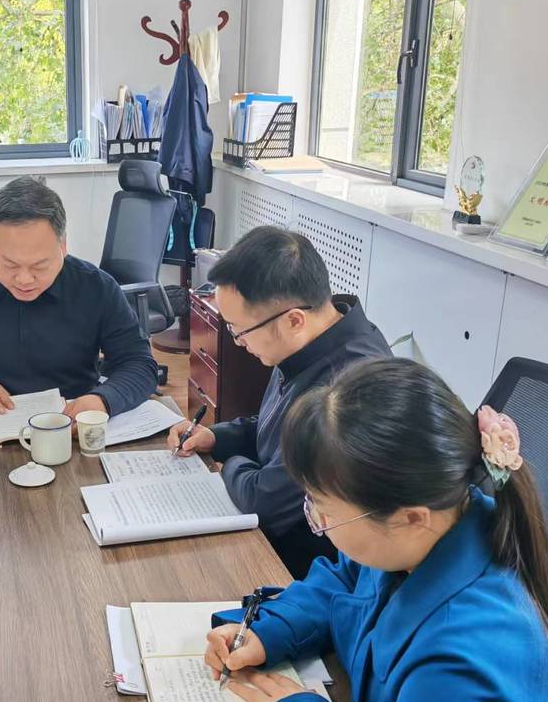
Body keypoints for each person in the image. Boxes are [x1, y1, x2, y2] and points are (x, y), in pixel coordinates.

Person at [204, 357, 548, 702]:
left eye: (323, 512)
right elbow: (346, 579)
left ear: (411, 516)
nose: (319, 524)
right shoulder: (440, 527)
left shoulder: (463, 666)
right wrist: (272, 628)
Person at [167, 226, 390, 578]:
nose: (237, 341)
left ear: (294, 320)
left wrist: (229, 465)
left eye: (239, 330)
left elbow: (265, 501)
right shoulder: (311, 340)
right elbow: (274, 428)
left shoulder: (348, 390)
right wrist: (216, 438)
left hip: (301, 572)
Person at [0, 176, 159, 419]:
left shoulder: (97, 287)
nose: (24, 279)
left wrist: (103, 399)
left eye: (40, 265)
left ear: (63, 246)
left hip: (67, 424)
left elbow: (139, 364)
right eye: (9, 264)